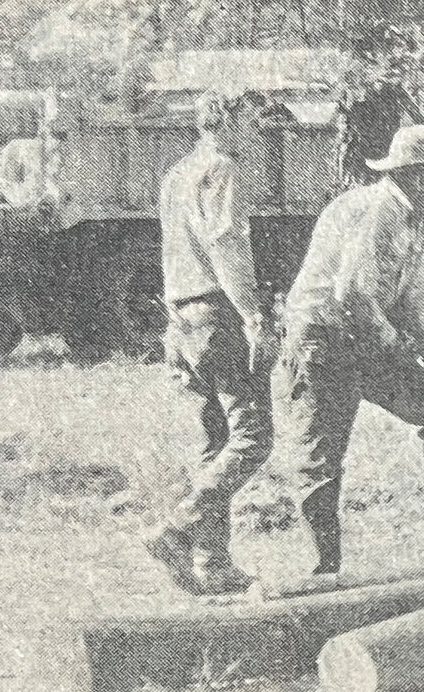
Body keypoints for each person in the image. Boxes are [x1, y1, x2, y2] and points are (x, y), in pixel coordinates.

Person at [281, 124, 424, 574]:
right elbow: (351, 295)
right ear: (420, 177)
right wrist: (400, 348)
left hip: (363, 336)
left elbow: (415, 299)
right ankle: (321, 571)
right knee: (321, 455)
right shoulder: (378, 211)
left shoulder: (411, 220)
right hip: (323, 338)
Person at [147, 89, 275, 596]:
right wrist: (253, 315)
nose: (258, 128)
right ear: (226, 118)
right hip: (216, 313)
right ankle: (178, 526)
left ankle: (211, 563)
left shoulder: (176, 173)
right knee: (253, 437)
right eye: (251, 117)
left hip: (180, 315)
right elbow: (226, 245)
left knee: (214, 443)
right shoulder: (223, 170)